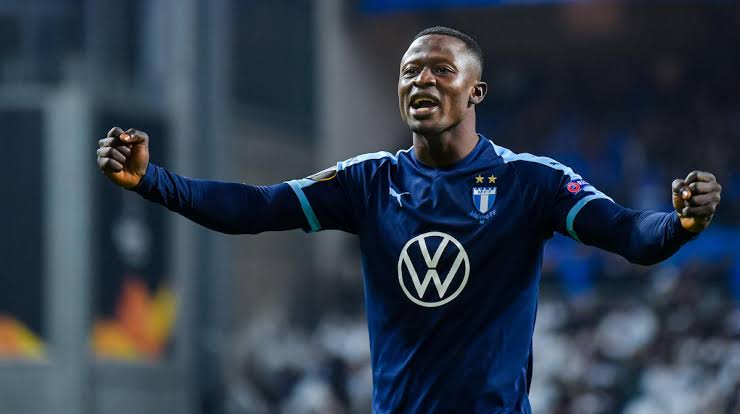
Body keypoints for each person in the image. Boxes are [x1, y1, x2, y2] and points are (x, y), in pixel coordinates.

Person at [96, 26, 722, 413]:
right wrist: (154, 181)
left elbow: (629, 235)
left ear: (475, 92)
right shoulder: (368, 181)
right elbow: (257, 209)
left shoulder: (531, 181)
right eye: (409, 72)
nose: (421, 79)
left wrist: (680, 224)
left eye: (441, 70)